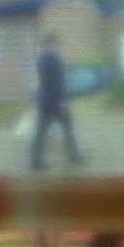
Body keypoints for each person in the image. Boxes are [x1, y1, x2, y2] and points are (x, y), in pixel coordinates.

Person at [28, 31, 86, 172]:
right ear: (53, 43)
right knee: (67, 127)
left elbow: (47, 80)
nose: (60, 47)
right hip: (55, 101)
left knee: (41, 131)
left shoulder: (41, 58)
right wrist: (63, 101)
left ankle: (35, 161)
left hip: (44, 100)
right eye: (58, 44)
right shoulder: (53, 57)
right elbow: (57, 82)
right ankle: (74, 156)